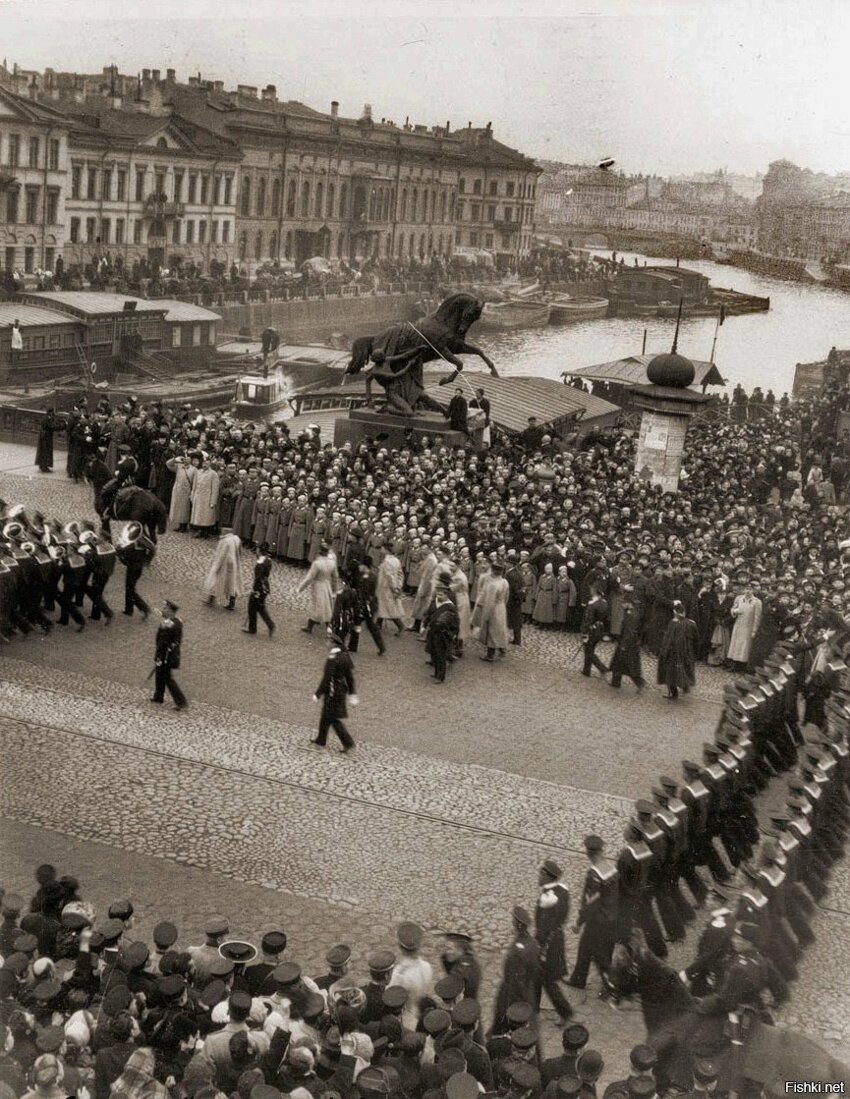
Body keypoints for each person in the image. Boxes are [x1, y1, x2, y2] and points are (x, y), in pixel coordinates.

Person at [568, 836, 618, 992]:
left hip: (598, 921)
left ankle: (612, 986)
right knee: (593, 949)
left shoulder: (594, 875)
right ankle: (578, 979)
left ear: (588, 853)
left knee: (596, 953)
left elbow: (591, 903)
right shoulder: (611, 869)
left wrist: (579, 922)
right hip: (612, 918)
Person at [490, 907, 541, 1036]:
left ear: (518, 925)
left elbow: (513, 978)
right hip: (528, 990)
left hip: (515, 992)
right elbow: (535, 970)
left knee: (510, 1022)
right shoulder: (533, 942)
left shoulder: (517, 951)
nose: (512, 923)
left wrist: (510, 1000)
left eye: (513, 921)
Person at [535, 859, 573, 1022]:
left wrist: (538, 945)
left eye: (540, 874)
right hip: (557, 938)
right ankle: (533, 1008)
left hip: (548, 944)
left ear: (546, 876)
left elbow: (543, 927)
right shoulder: (561, 892)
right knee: (538, 977)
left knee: (547, 980)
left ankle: (565, 1012)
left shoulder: (548, 900)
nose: (538, 877)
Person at [310, 631, 357, 753]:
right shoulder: (345, 656)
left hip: (332, 690)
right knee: (326, 715)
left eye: (328, 641)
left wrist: (318, 693)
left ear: (333, 643)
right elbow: (349, 677)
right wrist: (352, 693)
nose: (326, 643)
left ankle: (348, 743)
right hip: (341, 689)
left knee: (332, 718)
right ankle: (320, 740)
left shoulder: (333, 657)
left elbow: (327, 677)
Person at [151, 598, 187, 711]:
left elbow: (166, 642)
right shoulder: (171, 622)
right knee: (159, 674)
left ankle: (180, 701)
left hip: (167, 656)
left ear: (171, 611)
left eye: (166, 608)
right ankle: (158, 695)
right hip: (163, 654)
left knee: (167, 678)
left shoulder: (172, 624)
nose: (163, 610)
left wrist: (161, 656)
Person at [657, 600, 698, 701]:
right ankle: (685, 686)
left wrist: (663, 652)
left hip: (673, 653)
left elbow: (668, 639)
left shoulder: (673, 623)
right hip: (687, 652)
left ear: (674, 612)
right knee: (684, 670)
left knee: (670, 673)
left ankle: (673, 693)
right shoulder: (692, 623)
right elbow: (696, 639)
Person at [116, 522, 154, 619]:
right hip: (134, 565)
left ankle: (144, 608)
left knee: (130, 589)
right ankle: (129, 610)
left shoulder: (138, 541)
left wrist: (147, 560)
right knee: (129, 588)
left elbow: (152, 548)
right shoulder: (136, 539)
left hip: (135, 567)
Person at [299, 542, 339, 633]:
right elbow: (335, 576)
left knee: (317, 606)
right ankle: (328, 626)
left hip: (318, 586)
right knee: (327, 606)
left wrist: (300, 588)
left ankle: (311, 627)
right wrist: (334, 589)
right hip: (327, 585)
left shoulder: (317, 563)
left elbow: (309, 578)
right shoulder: (332, 563)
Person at [609, 587, 644, 690]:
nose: (622, 605)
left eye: (624, 603)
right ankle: (617, 682)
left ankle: (636, 682)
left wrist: (623, 644)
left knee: (623, 663)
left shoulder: (630, 615)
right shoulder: (632, 612)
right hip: (628, 643)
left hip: (627, 643)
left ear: (628, 603)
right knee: (621, 664)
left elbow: (629, 631)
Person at [475, 561, 509, 662]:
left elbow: (490, 602)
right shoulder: (504, 582)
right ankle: (502, 648)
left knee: (492, 631)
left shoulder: (492, 585)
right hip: (501, 607)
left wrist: (485, 616)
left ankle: (490, 654)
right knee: (500, 629)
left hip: (493, 609)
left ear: (493, 571)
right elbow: (507, 596)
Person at [426, 587, 460, 683]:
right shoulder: (434, 603)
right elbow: (428, 615)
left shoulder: (450, 607)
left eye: (441, 595)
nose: (438, 596)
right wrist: (425, 624)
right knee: (435, 653)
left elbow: (456, 622)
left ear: (446, 595)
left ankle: (441, 676)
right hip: (433, 632)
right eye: (437, 594)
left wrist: (453, 634)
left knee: (441, 655)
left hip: (443, 634)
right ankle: (436, 673)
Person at [243, 546, 275, 637]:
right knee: (260, 607)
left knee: (252, 607)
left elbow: (258, 578)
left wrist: (255, 590)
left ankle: (253, 628)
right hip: (265, 587)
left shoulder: (260, 563)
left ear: (260, 552)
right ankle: (269, 625)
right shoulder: (268, 560)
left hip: (259, 588)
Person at [580, 582, 609, 678]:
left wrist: (584, 633)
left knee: (589, 651)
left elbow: (588, 620)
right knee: (589, 649)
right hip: (600, 630)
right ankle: (586, 670)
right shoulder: (604, 603)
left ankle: (602, 668)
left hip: (591, 630)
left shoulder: (592, 604)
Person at [35, 409, 60, 474]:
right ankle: (44, 467)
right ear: (51, 413)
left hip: (43, 437)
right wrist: (62, 426)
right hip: (46, 438)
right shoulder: (47, 419)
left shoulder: (45, 418)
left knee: (43, 452)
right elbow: (52, 427)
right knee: (46, 452)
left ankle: (42, 465)